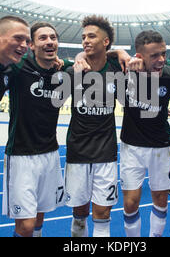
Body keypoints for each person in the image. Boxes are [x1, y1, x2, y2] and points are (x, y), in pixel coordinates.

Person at [119, 30, 170, 237]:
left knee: (161, 200)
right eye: (154, 56)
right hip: (131, 146)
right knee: (131, 202)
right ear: (139, 57)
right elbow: (97, 57)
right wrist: (119, 52)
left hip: (160, 146)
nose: (161, 60)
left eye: (163, 54)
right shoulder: (124, 71)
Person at [3, 22, 70, 237]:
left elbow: (92, 58)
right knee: (26, 226)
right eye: (43, 38)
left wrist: (119, 53)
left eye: (53, 37)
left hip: (50, 154)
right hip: (21, 156)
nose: (49, 41)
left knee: (40, 217)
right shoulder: (19, 67)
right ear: (31, 45)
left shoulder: (63, 71)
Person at [64, 15, 123, 237]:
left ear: (106, 42)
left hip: (106, 153)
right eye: (83, 37)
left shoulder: (117, 72)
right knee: (79, 213)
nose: (85, 41)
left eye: (91, 36)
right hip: (77, 153)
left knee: (103, 213)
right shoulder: (72, 72)